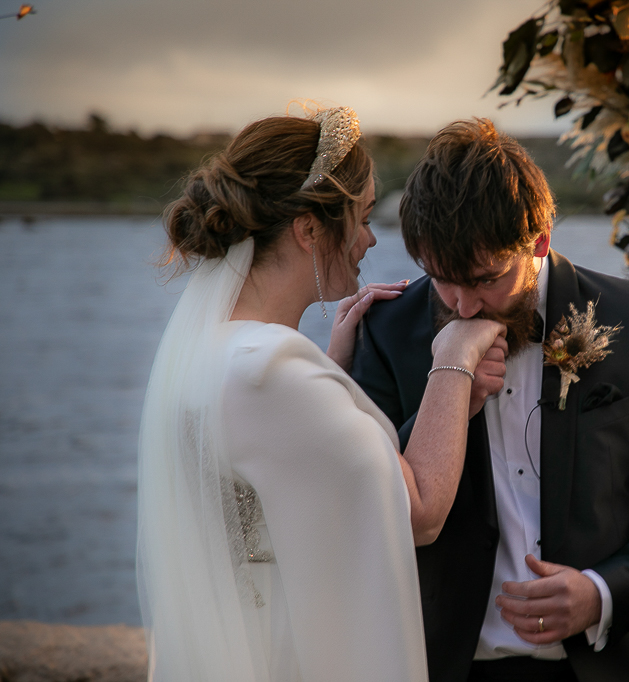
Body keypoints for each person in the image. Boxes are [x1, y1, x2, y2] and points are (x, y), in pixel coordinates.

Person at [351, 118, 629, 682]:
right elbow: (371, 504)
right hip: (452, 666)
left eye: (484, 278)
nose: (462, 306)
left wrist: (601, 593)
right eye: (439, 278)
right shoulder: (386, 331)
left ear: (540, 240)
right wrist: (450, 401)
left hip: (616, 662)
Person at [136, 108, 506, 681]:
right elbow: (420, 512)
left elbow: (278, 458)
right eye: (360, 216)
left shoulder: (217, 354)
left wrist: (333, 370)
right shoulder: (272, 376)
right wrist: (454, 358)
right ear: (308, 229)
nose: (368, 238)